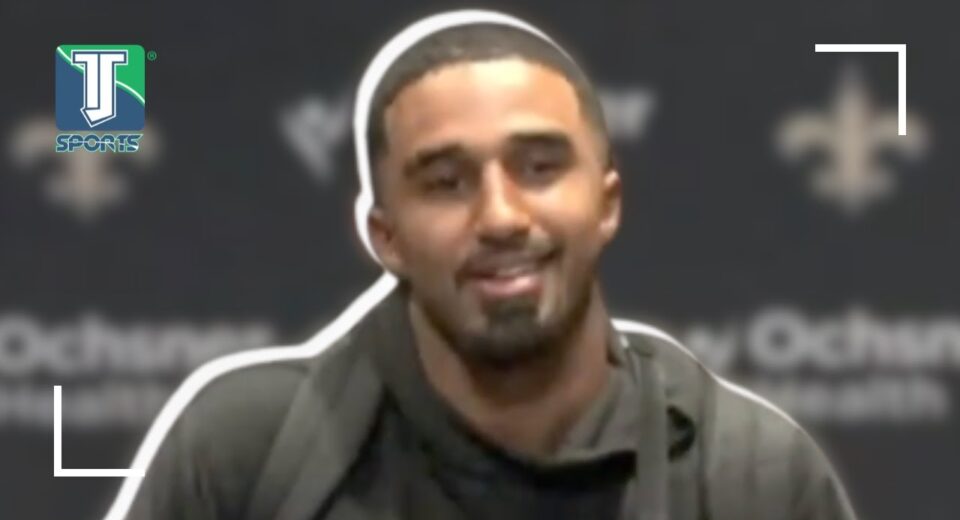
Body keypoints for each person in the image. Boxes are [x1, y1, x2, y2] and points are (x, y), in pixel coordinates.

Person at [117, 10, 858, 520]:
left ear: (607, 204)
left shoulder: (753, 480)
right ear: (385, 238)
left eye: (539, 167)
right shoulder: (246, 458)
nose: (501, 216)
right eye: (446, 182)